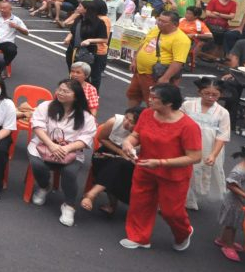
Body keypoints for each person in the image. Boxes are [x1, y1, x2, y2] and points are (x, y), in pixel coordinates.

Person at [119, 84, 203, 251]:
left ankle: (183, 232)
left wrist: (160, 163)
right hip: (145, 167)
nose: (149, 100)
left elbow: (195, 157)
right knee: (140, 203)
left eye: (154, 98)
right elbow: (136, 135)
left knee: (171, 212)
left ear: (169, 103)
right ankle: (139, 237)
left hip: (173, 175)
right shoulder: (147, 114)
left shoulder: (189, 126)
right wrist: (128, 143)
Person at [28, 79, 97, 227]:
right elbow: (37, 126)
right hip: (43, 146)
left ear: (76, 96)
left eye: (66, 91)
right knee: (37, 164)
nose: (60, 93)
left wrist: (66, 149)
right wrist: (51, 145)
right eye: (59, 89)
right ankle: (44, 186)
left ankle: (69, 205)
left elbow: (85, 139)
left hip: (71, 152)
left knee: (70, 173)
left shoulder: (87, 117)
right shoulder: (45, 106)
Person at [82, 106, 144, 217]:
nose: (126, 123)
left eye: (132, 122)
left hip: (129, 160)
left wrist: (129, 156)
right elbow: (101, 138)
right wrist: (119, 152)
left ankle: (93, 194)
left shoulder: (144, 133)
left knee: (120, 166)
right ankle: (99, 198)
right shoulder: (114, 122)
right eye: (126, 118)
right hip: (105, 153)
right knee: (116, 165)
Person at [182, 77, 230, 211]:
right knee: (183, 169)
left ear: (220, 95)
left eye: (215, 95)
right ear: (199, 92)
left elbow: (223, 135)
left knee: (199, 171)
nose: (210, 97)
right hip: (187, 143)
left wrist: (214, 154)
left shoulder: (223, 113)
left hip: (209, 147)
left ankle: (191, 197)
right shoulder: (188, 105)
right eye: (206, 93)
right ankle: (184, 198)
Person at [127, 11, 191, 106]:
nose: (159, 23)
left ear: (175, 24)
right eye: (159, 20)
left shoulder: (181, 39)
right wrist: (134, 60)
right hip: (140, 71)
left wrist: (165, 78)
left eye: (164, 22)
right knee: (133, 94)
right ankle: (132, 117)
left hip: (155, 75)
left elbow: (178, 61)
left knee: (153, 101)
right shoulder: (155, 30)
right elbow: (144, 44)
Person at [63, 0, 107, 73]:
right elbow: (72, 31)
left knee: (83, 74)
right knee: (72, 72)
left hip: (87, 51)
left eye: (80, 6)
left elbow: (104, 39)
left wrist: (89, 40)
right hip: (72, 49)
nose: (77, 8)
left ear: (86, 9)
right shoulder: (78, 19)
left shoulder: (99, 22)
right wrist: (68, 37)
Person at [0, 1, 27, 71]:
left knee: (12, 50)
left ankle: (2, 66)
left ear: (10, 9)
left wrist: (17, 27)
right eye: (1, 8)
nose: (2, 10)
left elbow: (26, 33)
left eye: (4, 8)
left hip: (6, 42)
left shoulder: (16, 20)